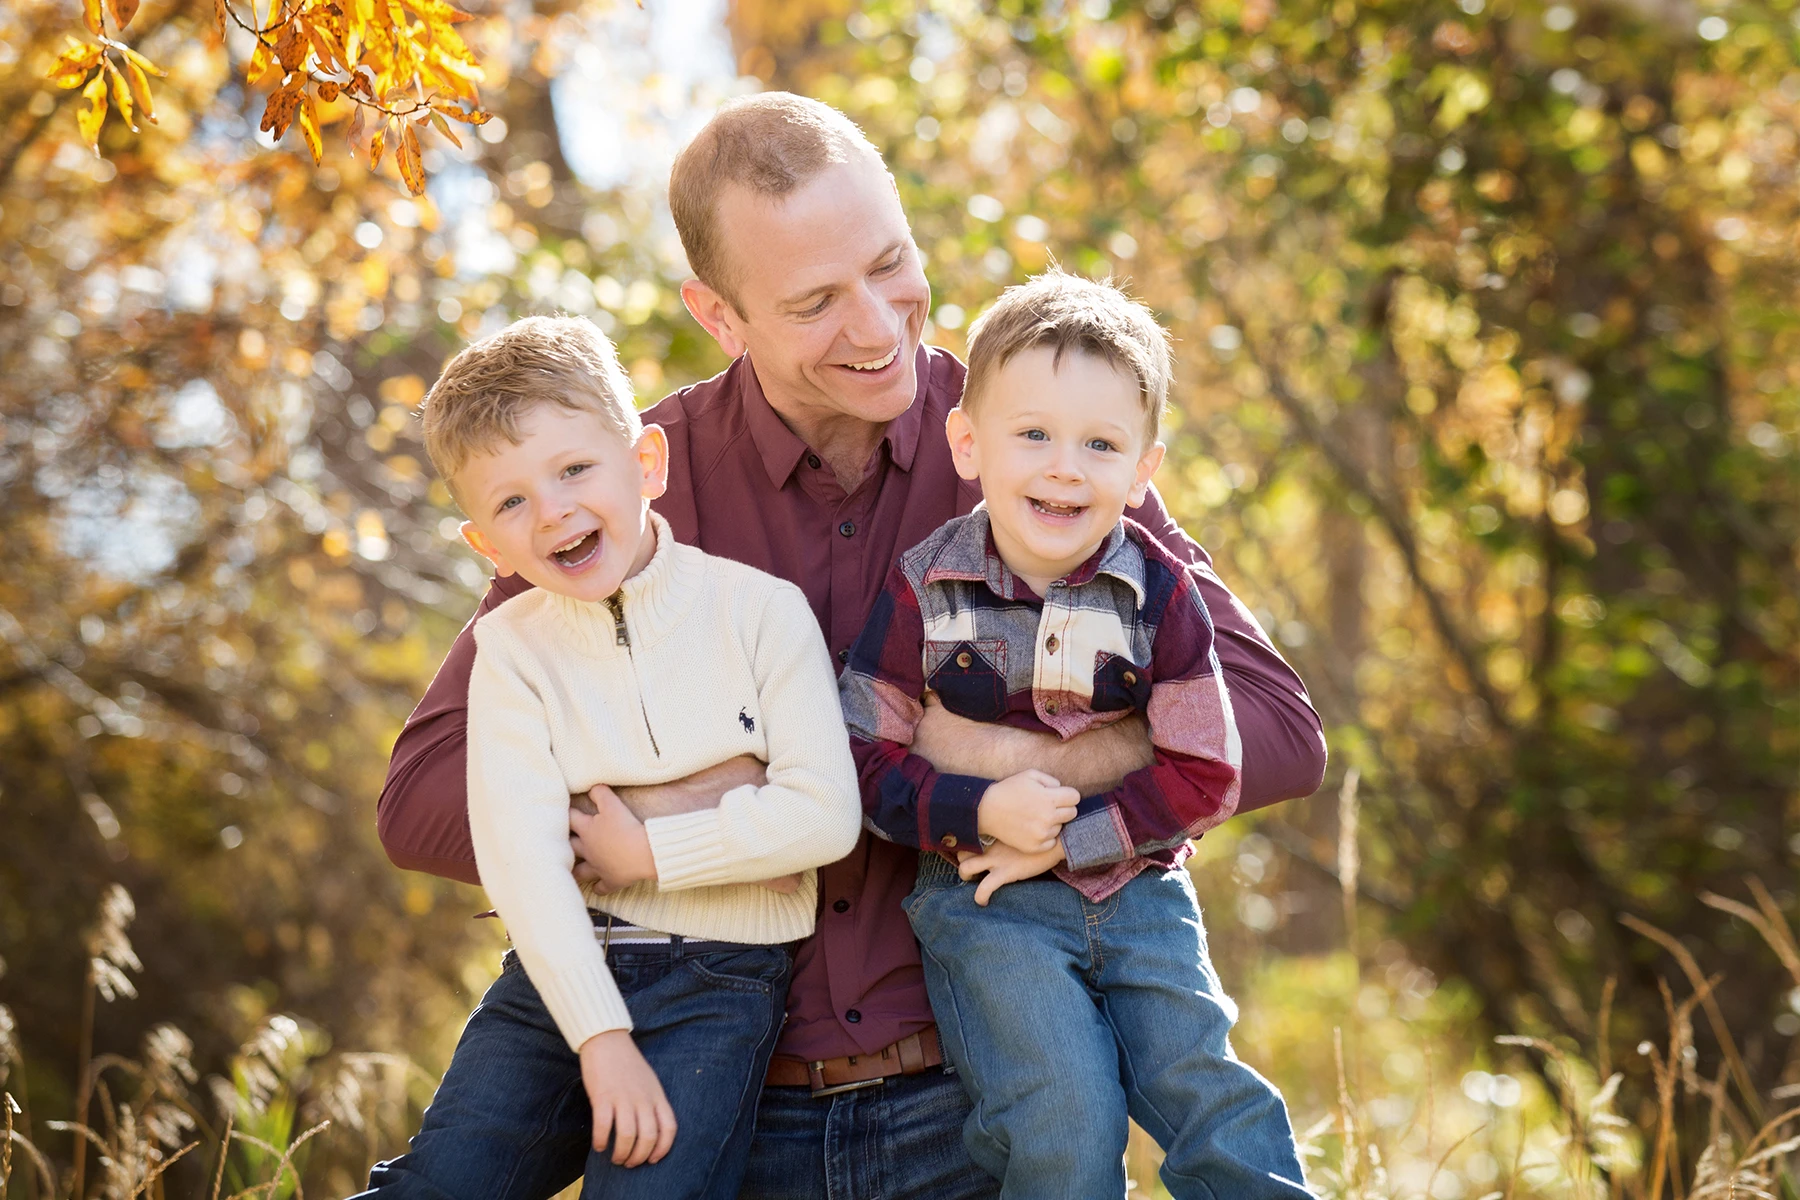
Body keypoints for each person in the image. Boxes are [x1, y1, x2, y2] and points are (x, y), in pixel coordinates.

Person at [376, 93, 1328, 1200]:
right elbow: (426, 803)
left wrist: (974, 765)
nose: (879, 325)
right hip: (722, 1104)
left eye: (891, 265)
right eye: (817, 301)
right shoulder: (619, 483)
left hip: (979, 1106)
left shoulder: (1035, 441)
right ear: (720, 315)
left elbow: (1275, 729)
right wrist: (688, 808)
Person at [357, 314, 862, 1199]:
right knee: (438, 1185)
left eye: (575, 470)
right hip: (556, 970)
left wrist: (649, 852)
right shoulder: (511, 647)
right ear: (486, 544)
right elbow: (522, 860)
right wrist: (599, 1038)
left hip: (719, 981)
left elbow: (823, 813)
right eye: (510, 502)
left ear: (648, 466)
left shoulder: (759, 613)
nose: (551, 511)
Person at [839, 271, 1311, 1198]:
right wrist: (979, 814)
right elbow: (861, 757)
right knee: (1064, 1116)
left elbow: (1206, 768)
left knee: (1215, 1102)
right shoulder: (926, 590)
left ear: (1142, 471)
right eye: (1034, 435)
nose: (1065, 466)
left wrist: (1063, 837)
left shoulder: (1160, 592)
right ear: (969, 445)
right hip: (988, 906)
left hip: (1140, 891)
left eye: (1100, 444)